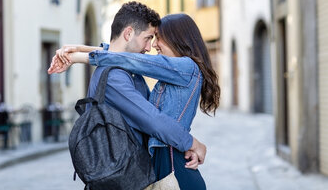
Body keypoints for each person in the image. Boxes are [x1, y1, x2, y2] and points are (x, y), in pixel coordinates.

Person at [49, 11, 220, 190]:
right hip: (167, 165)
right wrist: (79, 48)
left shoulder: (187, 67)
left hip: (174, 168)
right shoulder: (173, 70)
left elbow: (134, 61)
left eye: (159, 38)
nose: (154, 45)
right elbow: (129, 58)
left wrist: (78, 57)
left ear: (177, 38)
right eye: (151, 38)